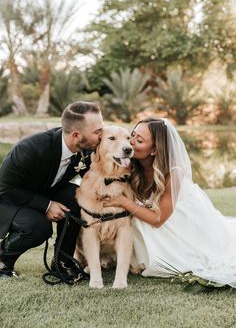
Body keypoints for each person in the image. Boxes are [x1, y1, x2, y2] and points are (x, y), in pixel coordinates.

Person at [103, 117, 236, 288]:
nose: (131, 142)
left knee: (138, 223)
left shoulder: (173, 173)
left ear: (154, 150)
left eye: (139, 140)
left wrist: (124, 202)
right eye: (132, 135)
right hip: (150, 212)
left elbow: (158, 220)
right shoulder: (127, 160)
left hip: (179, 219)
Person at [0, 101, 103, 280]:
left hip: (43, 192)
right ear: (77, 135)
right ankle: (3, 260)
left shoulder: (86, 150)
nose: (102, 135)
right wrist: (47, 206)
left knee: (77, 197)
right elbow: (4, 187)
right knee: (38, 227)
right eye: (97, 132)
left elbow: (84, 176)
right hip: (9, 198)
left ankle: (62, 263)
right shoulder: (30, 149)